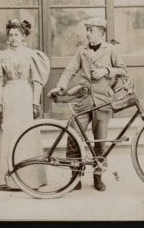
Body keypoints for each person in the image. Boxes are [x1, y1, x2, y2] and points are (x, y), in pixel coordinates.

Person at [48, 17, 127, 191]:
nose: (88, 34)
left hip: (103, 102)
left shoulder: (111, 50)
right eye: (88, 30)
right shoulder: (82, 51)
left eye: (91, 30)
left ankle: (98, 177)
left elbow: (123, 70)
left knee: (100, 141)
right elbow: (70, 70)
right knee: (74, 136)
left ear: (100, 32)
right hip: (83, 100)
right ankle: (75, 176)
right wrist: (60, 86)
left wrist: (106, 71)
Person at [0, 19, 50, 190]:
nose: (13, 38)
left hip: (25, 95)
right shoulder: (1, 56)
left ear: (23, 36)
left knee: (26, 135)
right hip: (9, 95)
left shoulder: (31, 55)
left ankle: (30, 179)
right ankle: (6, 179)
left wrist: (35, 103)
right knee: (8, 133)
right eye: (10, 35)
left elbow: (37, 81)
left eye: (17, 35)